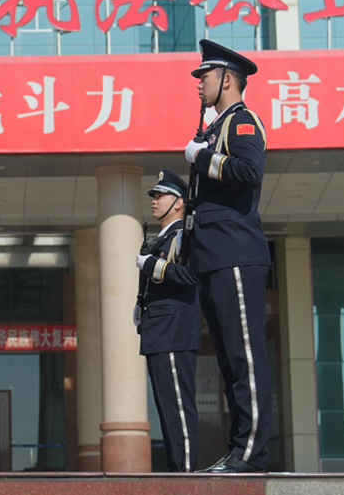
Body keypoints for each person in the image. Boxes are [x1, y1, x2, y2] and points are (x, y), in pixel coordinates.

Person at [184, 39, 271, 473]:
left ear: (228, 79)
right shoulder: (216, 128)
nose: (199, 84)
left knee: (245, 358)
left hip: (236, 253)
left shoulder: (241, 122)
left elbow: (248, 171)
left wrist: (203, 159)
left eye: (205, 76)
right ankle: (241, 450)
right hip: (215, 257)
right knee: (228, 359)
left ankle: (251, 453)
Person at [135, 169, 200, 473]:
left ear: (179, 202)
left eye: (160, 195)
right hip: (159, 331)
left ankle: (185, 473)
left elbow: (190, 275)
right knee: (166, 408)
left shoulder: (185, 234)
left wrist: (152, 265)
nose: (154, 200)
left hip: (174, 330)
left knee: (178, 408)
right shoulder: (162, 238)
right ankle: (177, 471)